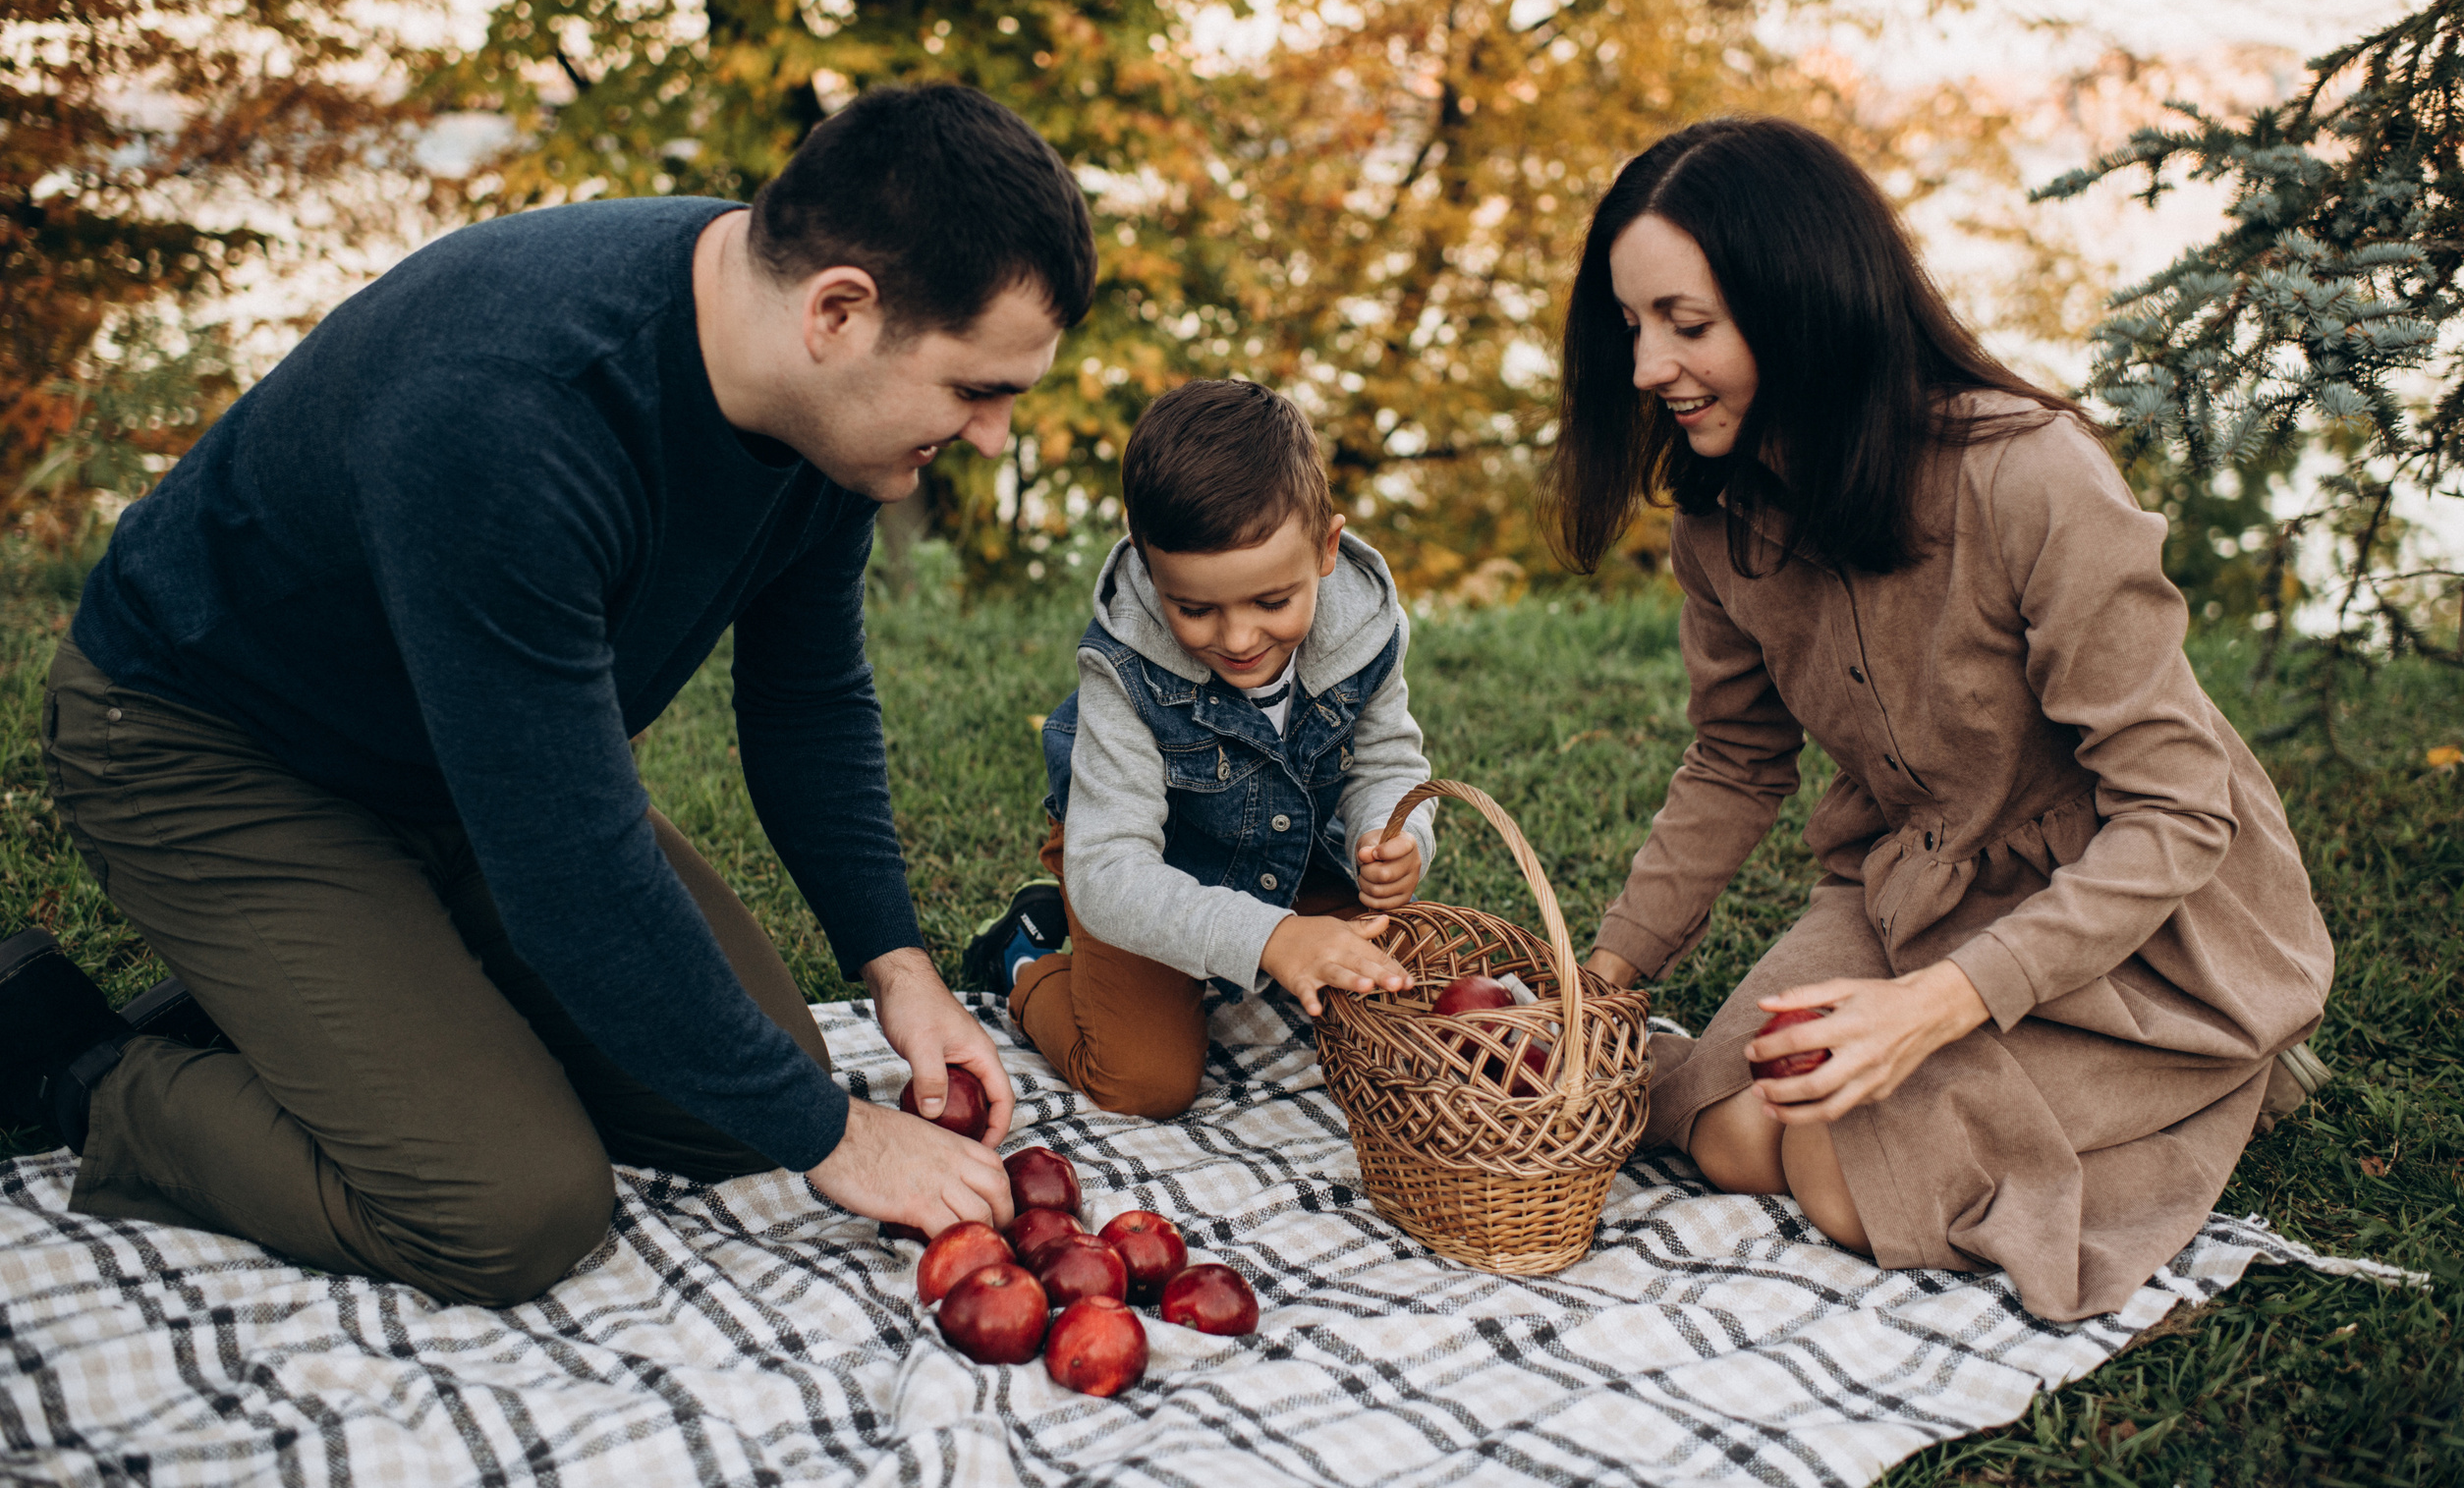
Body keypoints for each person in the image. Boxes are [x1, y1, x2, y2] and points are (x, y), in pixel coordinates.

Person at [0, 83, 1094, 1306]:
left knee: (742, 1099)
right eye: (976, 390)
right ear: (838, 311)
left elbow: (807, 694)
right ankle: (78, 1064)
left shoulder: (819, 399)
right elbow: (571, 868)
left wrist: (895, 962)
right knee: (510, 1209)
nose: (993, 436)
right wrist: (841, 1138)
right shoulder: (512, 412)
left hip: (466, 767)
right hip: (211, 749)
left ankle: (335, 985)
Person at [1550, 116, 2335, 1322]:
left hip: (2135, 919)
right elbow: (1735, 761)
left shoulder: (2031, 475)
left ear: (1803, 307)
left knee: (1839, 1170)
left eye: (1686, 325)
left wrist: (1935, 1007)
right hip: (1918, 887)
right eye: (1630, 324)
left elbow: (2178, 814)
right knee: (1731, 1132)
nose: (1648, 366)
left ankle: (2216, 1067)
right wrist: (1600, 982)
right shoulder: (1719, 523)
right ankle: (2021, 1073)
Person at [960, 379, 1439, 1118]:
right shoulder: (1124, 668)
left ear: (1325, 548)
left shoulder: (1366, 629)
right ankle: (1025, 956)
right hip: (1144, 868)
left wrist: (1392, 833)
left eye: (1272, 602)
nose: (1239, 638)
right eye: (1194, 608)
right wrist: (1270, 937)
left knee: (1409, 1011)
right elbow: (1112, 869)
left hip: (1294, 853)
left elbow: (1388, 764)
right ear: (1149, 566)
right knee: (1143, 1082)